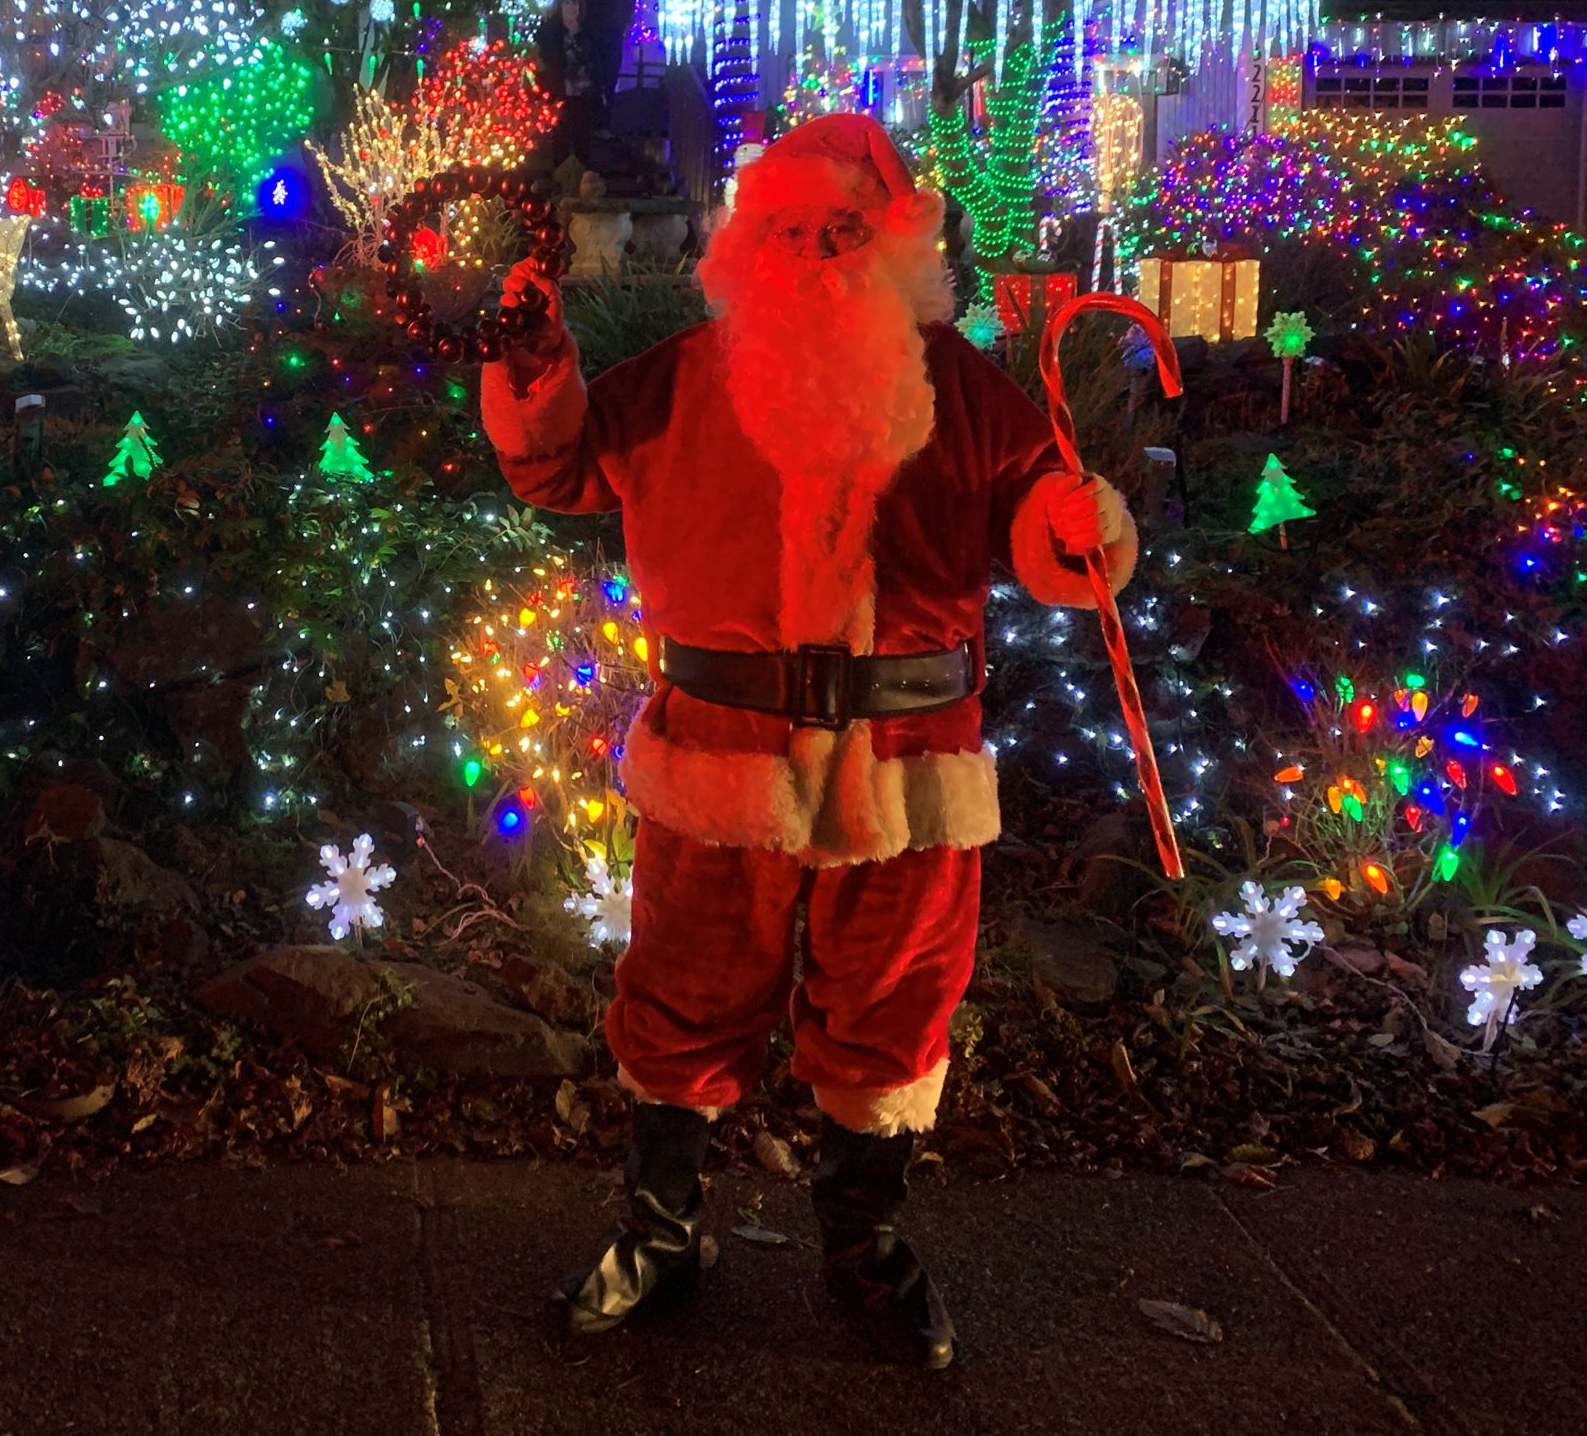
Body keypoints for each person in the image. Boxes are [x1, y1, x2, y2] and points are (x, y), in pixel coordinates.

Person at [480, 113, 1134, 1368]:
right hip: (721, 757)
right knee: (679, 993)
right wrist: (530, 366)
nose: (815, 251)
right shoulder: (680, 378)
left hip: (909, 768)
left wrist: (1073, 520)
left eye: (843, 229)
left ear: (895, 242)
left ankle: (863, 1247)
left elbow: (1042, 529)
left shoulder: (965, 389)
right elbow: (555, 468)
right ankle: (662, 1230)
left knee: (893, 1008)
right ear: (746, 242)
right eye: (789, 229)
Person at [532, 0, 603, 175]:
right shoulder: (551, 32)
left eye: (575, 4)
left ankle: (583, 176)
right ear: (560, 6)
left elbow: (595, 59)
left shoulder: (588, 32)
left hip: (584, 92)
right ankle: (561, 177)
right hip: (560, 91)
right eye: (568, 4)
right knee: (561, 136)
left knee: (582, 136)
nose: (572, 8)